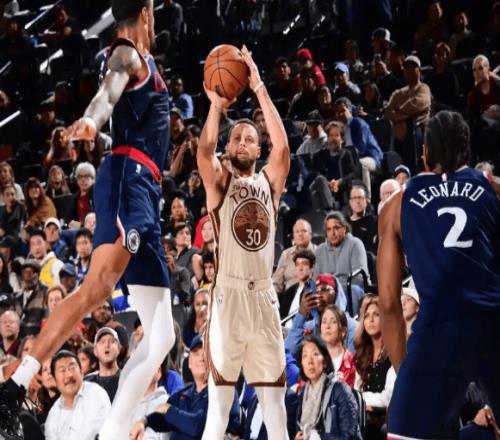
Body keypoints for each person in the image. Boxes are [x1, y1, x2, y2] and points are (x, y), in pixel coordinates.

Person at [0, 2, 175, 439]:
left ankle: (113, 430)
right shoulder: (126, 52)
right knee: (96, 287)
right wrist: (93, 121)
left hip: (145, 193)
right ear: (146, 12)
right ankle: (15, 385)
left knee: (162, 336)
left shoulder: (144, 60)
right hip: (128, 180)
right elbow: (108, 92)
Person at [378, 111, 500, 439]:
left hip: (438, 327)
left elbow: (388, 303)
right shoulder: (491, 188)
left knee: (406, 430)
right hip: (493, 322)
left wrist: (407, 374)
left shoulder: (397, 204)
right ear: (468, 151)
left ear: (425, 151)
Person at [197, 46, 290, 439]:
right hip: (229, 297)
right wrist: (216, 107)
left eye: (250, 138)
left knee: (275, 408)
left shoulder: (269, 183)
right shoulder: (221, 184)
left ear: (257, 149)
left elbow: (283, 149)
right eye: (235, 137)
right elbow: (204, 151)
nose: (241, 142)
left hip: (264, 297)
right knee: (219, 410)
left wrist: (258, 87)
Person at [130, 335, 241, 439]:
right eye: (196, 353)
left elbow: (200, 426)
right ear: (189, 363)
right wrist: (144, 422)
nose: (202, 358)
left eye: (207, 353)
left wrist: (169, 410)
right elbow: (163, 419)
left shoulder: (225, 393)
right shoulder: (181, 395)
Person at [295, 335, 362, 439]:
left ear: (325, 361)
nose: (310, 361)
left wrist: (317, 437)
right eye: (305, 356)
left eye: (315, 354)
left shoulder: (340, 390)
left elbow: (349, 436)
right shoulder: (303, 393)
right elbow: (299, 430)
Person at [44, 350, 111, 440]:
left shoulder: (96, 394)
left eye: (72, 368)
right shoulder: (53, 416)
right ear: (55, 380)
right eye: (62, 370)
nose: (69, 375)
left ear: (81, 372)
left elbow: (102, 433)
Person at [272, 219, 316, 295]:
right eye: (297, 232)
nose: (300, 234)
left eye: (303, 231)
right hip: (289, 297)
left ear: (310, 235)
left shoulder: (319, 252)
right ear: (293, 236)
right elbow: (276, 283)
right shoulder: (286, 254)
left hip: (311, 294)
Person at [320, 305, 356, 387]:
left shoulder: (353, 362)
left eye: (333, 322)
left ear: (343, 331)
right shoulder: (315, 360)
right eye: (324, 322)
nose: (327, 326)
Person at [279, 249, 316, 326]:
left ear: (312, 268)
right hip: (284, 330)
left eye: (304, 264)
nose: (300, 268)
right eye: (297, 264)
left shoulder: (314, 291)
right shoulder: (289, 292)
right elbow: (281, 316)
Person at [85, 327, 121, 402]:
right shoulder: (86, 383)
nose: (107, 345)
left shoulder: (128, 378)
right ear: (95, 351)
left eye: (112, 341)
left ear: (119, 349)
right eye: (102, 342)